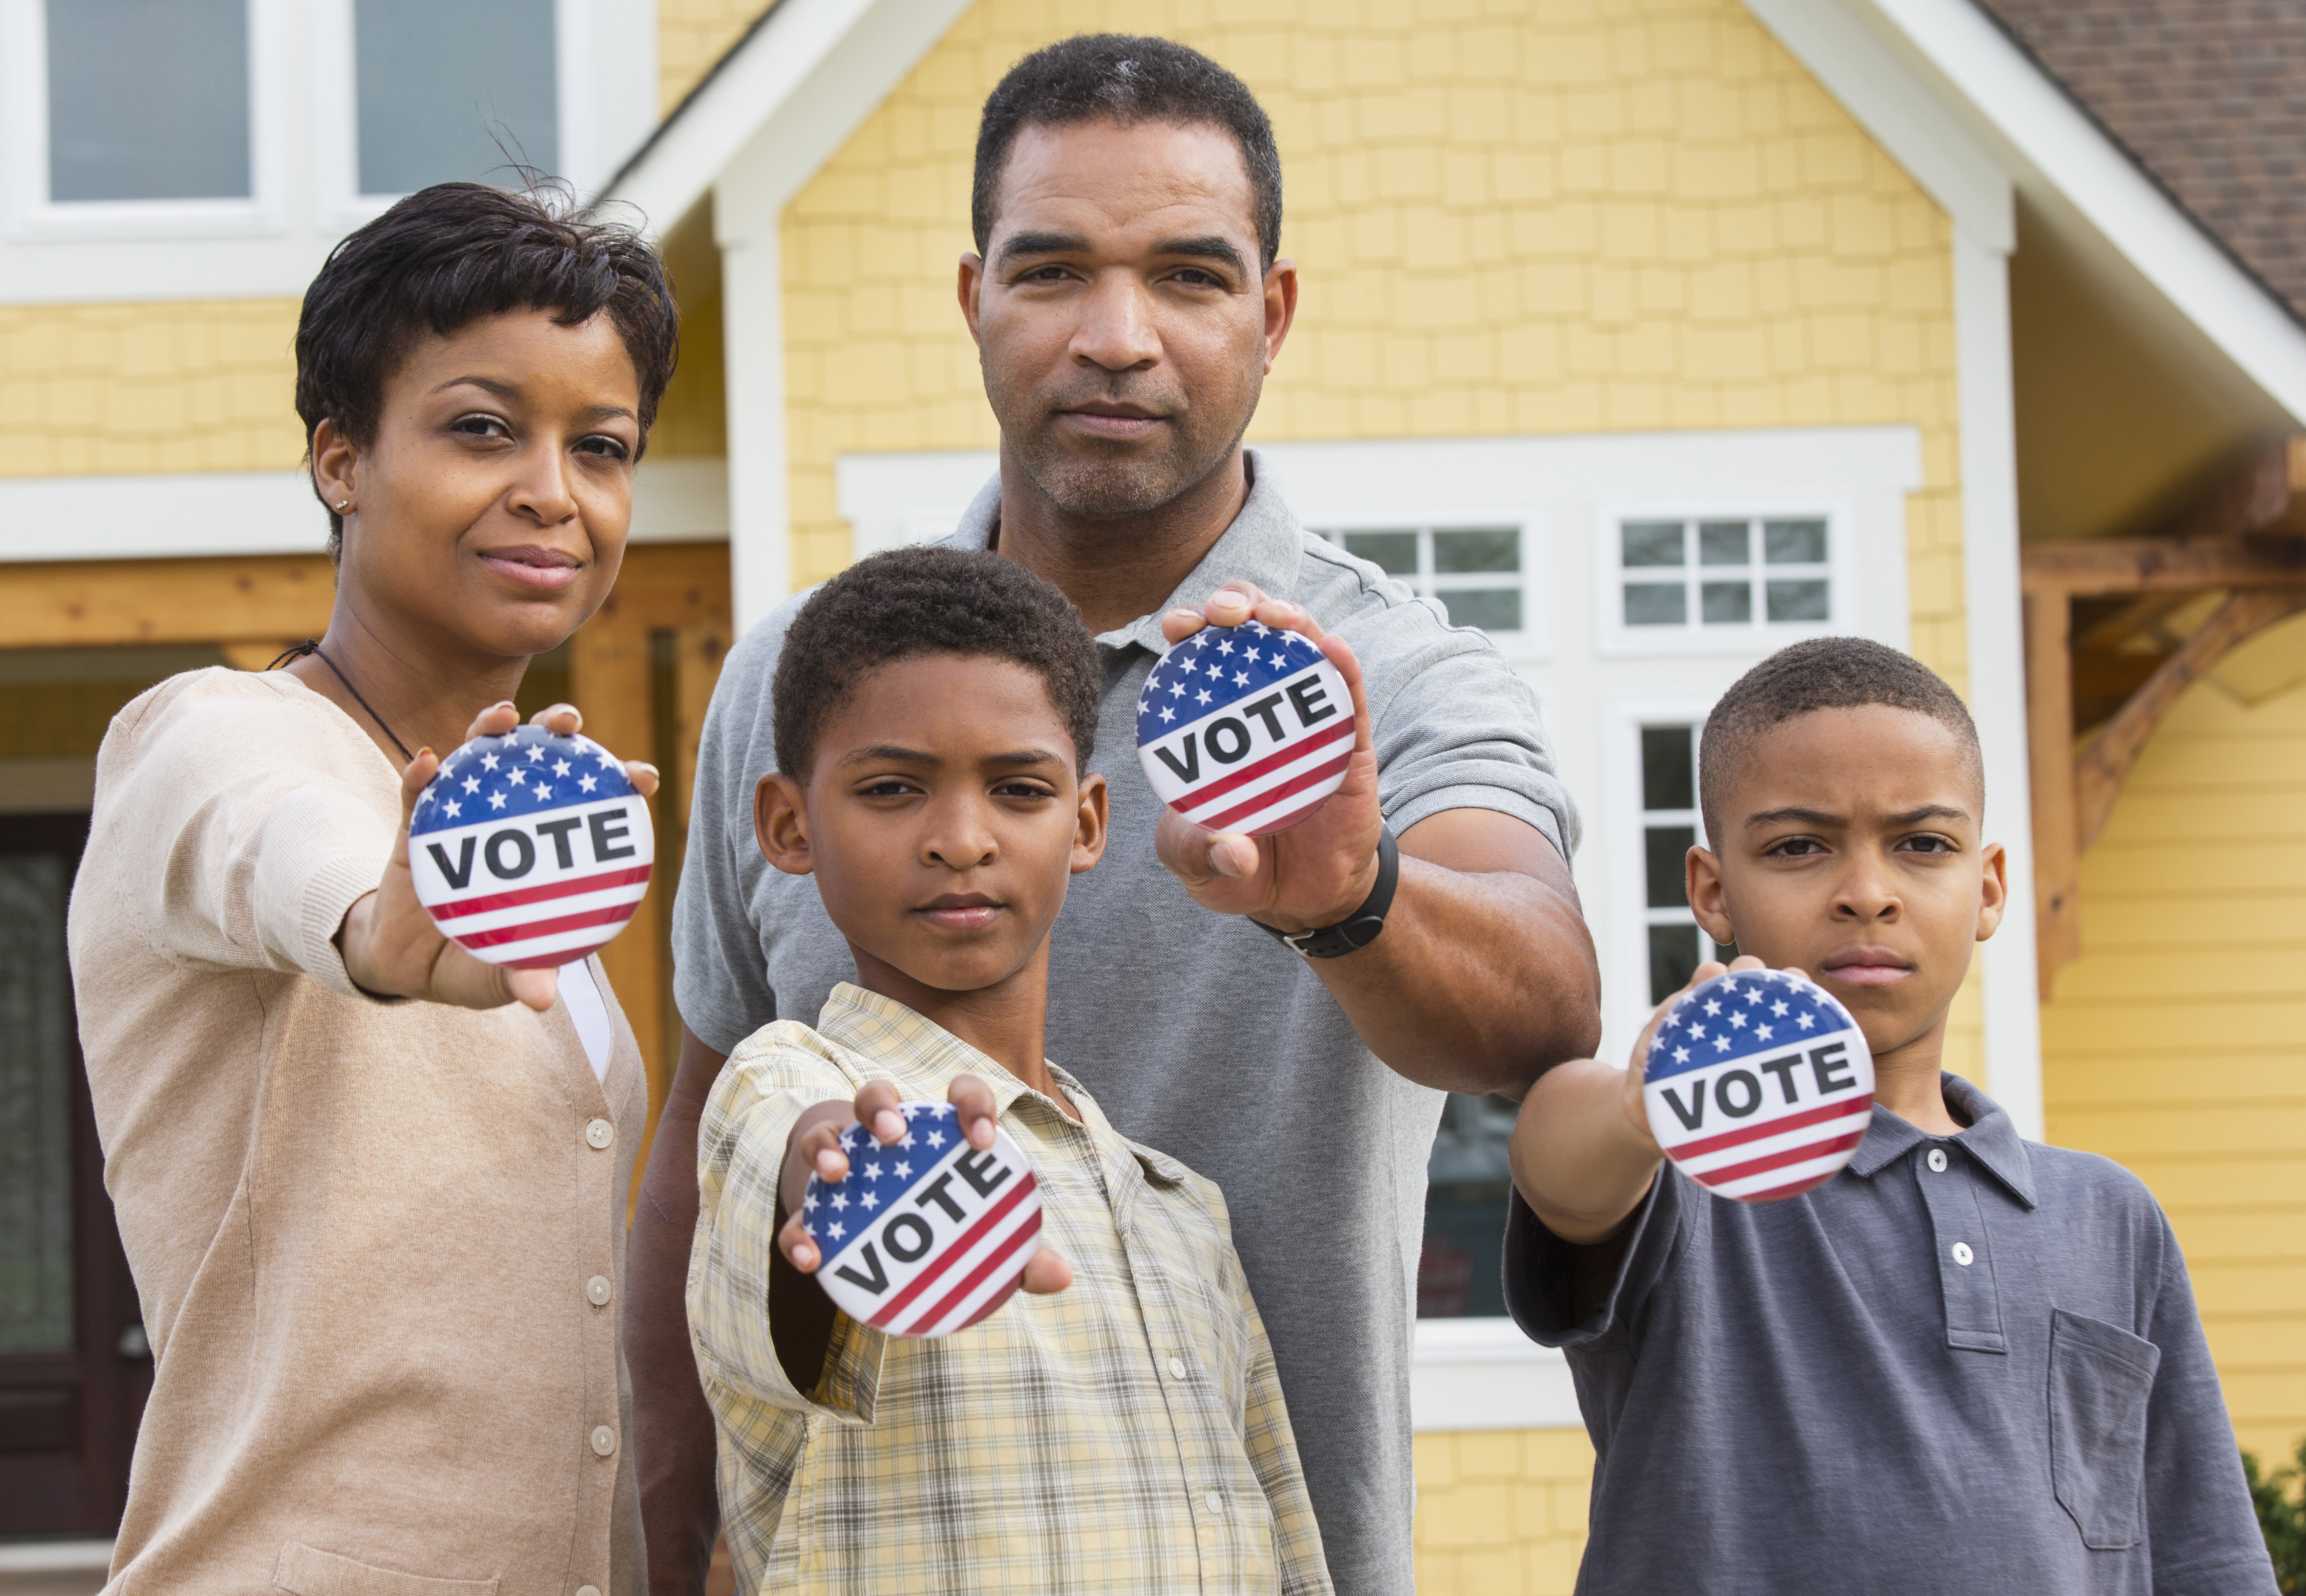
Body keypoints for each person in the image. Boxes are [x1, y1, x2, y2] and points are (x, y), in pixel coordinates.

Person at [629, 34, 1601, 1595]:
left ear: (1270, 314)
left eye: (1191, 278)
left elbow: (1543, 999)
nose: (1119, 337)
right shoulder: (803, 680)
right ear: (974, 301)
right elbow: (706, 1125)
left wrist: (1352, 893)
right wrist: (660, 1546)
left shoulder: (1392, 677)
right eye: (1055, 270)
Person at [68, 182, 678, 1594]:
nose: (553, 490)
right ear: (341, 457)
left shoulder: (510, 845)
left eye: (601, 447)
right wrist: (378, 931)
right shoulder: (215, 738)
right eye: (482, 428)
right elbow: (287, 850)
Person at [1502, 637, 2278, 1594]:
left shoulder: (2112, 1217)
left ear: (1988, 886)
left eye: (1923, 845)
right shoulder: (1694, 1171)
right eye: (1798, 846)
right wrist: (1641, 1105)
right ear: (1712, 890)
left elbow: (2204, 1556)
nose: (1867, 893)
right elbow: (1557, 1156)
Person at [687, 545, 1332, 1595]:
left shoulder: (1181, 1213)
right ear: (788, 825)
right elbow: (794, 1157)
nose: (960, 839)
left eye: (1019, 790)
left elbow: (1280, 1547)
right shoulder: (785, 1086)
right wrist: (838, 1166)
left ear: (1085, 825)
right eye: (893, 789)